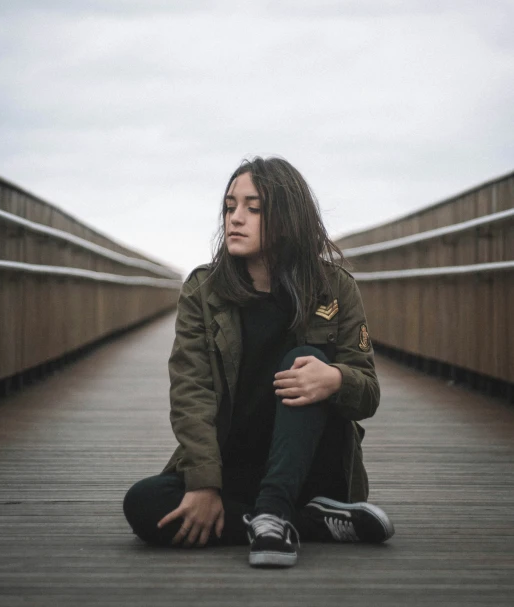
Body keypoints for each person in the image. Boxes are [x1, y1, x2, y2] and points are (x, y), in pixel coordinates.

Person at [123, 156, 394, 567]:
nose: (235, 218)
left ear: (287, 217)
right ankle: (303, 522)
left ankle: (276, 508)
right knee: (143, 504)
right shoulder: (204, 291)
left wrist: (336, 379)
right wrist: (203, 485)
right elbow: (190, 393)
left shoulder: (334, 288)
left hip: (310, 468)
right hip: (234, 468)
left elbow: (368, 393)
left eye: (253, 208)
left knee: (307, 360)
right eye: (230, 206)